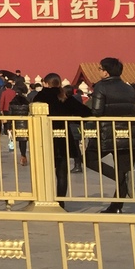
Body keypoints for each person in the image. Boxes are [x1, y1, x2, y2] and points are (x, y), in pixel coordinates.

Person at [87, 57, 135, 213]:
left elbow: (97, 110)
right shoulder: (129, 88)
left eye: (100, 68)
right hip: (125, 131)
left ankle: (119, 177)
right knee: (122, 167)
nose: (99, 71)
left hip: (105, 132)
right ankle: (117, 206)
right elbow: (132, 110)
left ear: (106, 71)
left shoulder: (101, 87)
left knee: (89, 158)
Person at [33, 72, 92, 201]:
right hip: (63, 138)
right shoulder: (65, 97)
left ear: (46, 83)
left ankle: (43, 199)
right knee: (61, 173)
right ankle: (61, 202)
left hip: (44, 138)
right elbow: (86, 112)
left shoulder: (40, 96)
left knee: (43, 170)